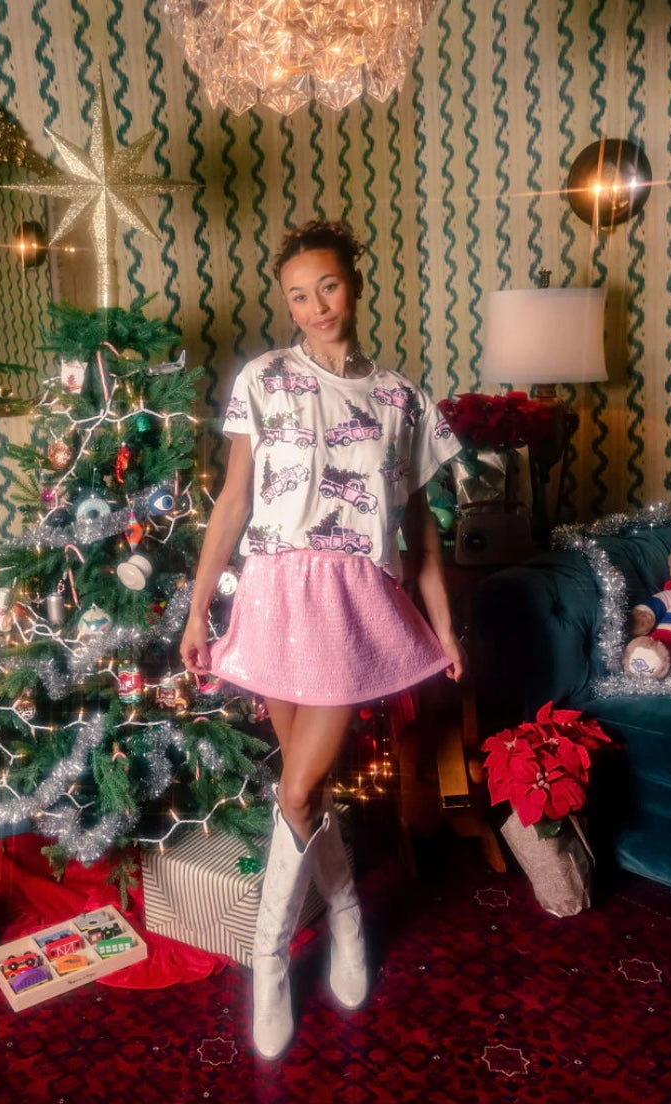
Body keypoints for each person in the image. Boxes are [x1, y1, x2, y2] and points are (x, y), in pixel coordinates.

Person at [180, 219, 464, 1060]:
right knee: (302, 790)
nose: (315, 308)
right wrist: (199, 610)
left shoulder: (404, 399)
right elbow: (233, 503)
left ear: (356, 285)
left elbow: (421, 533)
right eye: (298, 295)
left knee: (300, 790)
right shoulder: (262, 380)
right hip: (271, 593)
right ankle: (342, 916)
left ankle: (266, 962)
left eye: (328, 288)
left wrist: (445, 627)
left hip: (353, 602)